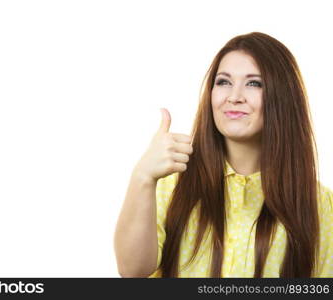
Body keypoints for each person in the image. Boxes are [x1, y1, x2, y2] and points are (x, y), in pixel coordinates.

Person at [113, 31, 333, 278]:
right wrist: (142, 177)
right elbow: (132, 271)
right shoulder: (171, 181)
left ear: (282, 97)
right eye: (224, 82)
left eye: (254, 83)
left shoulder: (318, 204)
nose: (234, 97)